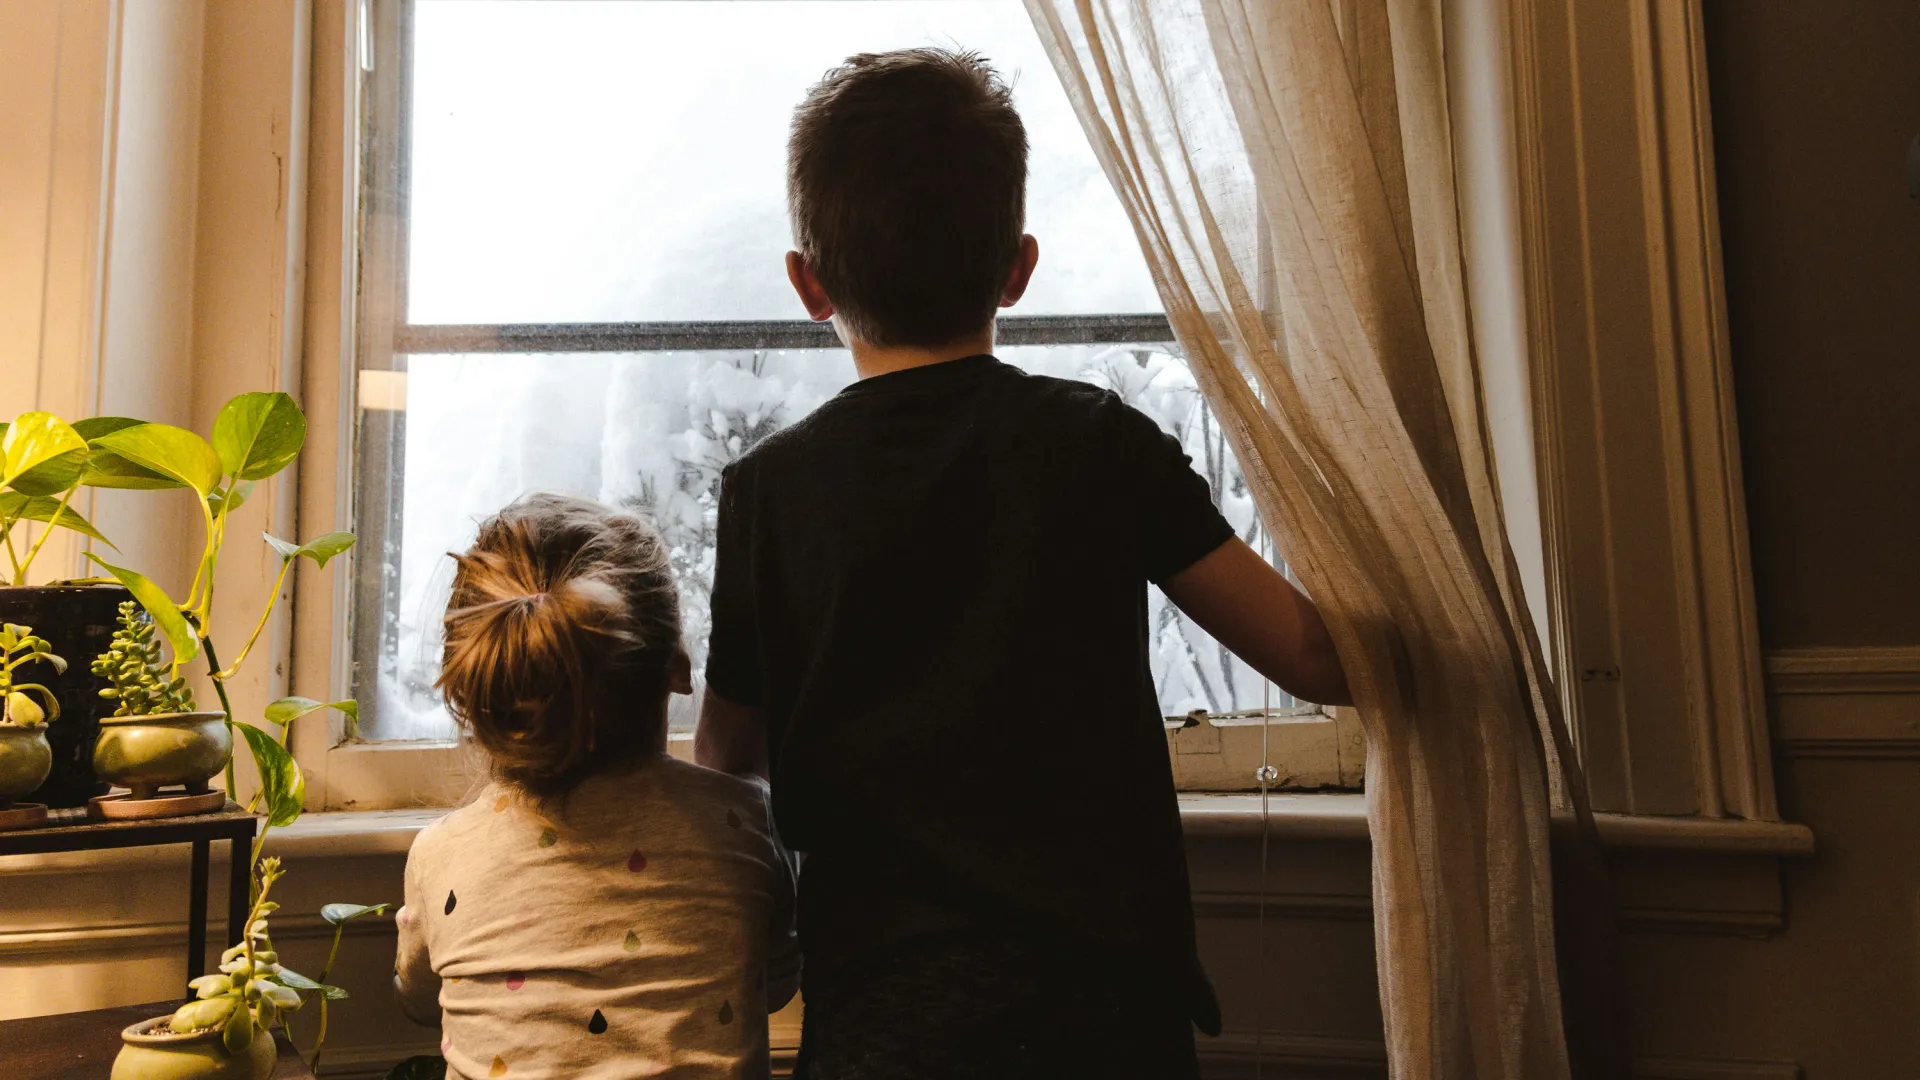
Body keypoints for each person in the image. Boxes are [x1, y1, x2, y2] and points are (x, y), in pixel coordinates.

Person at [695, 48, 1351, 1080]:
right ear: (1017, 267)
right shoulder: (1096, 441)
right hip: (1104, 1016)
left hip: (883, 1022)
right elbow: (1316, 659)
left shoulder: (771, 491)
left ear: (808, 284)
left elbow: (725, 755)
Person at [395, 493, 799, 1080]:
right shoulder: (746, 824)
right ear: (678, 666)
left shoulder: (440, 856)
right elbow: (777, 984)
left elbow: (415, 1001)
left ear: (474, 698)